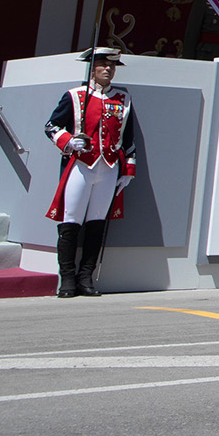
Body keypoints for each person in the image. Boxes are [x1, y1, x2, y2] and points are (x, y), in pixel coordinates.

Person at [44, 47, 143, 298]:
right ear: (92, 67)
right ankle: (66, 279)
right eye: (102, 64)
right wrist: (68, 140)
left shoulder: (123, 99)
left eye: (112, 65)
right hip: (80, 165)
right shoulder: (75, 95)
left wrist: (128, 169)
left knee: (97, 223)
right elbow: (51, 125)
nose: (108, 69)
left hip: (109, 168)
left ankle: (85, 277)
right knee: (71, 222)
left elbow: (128, 139)